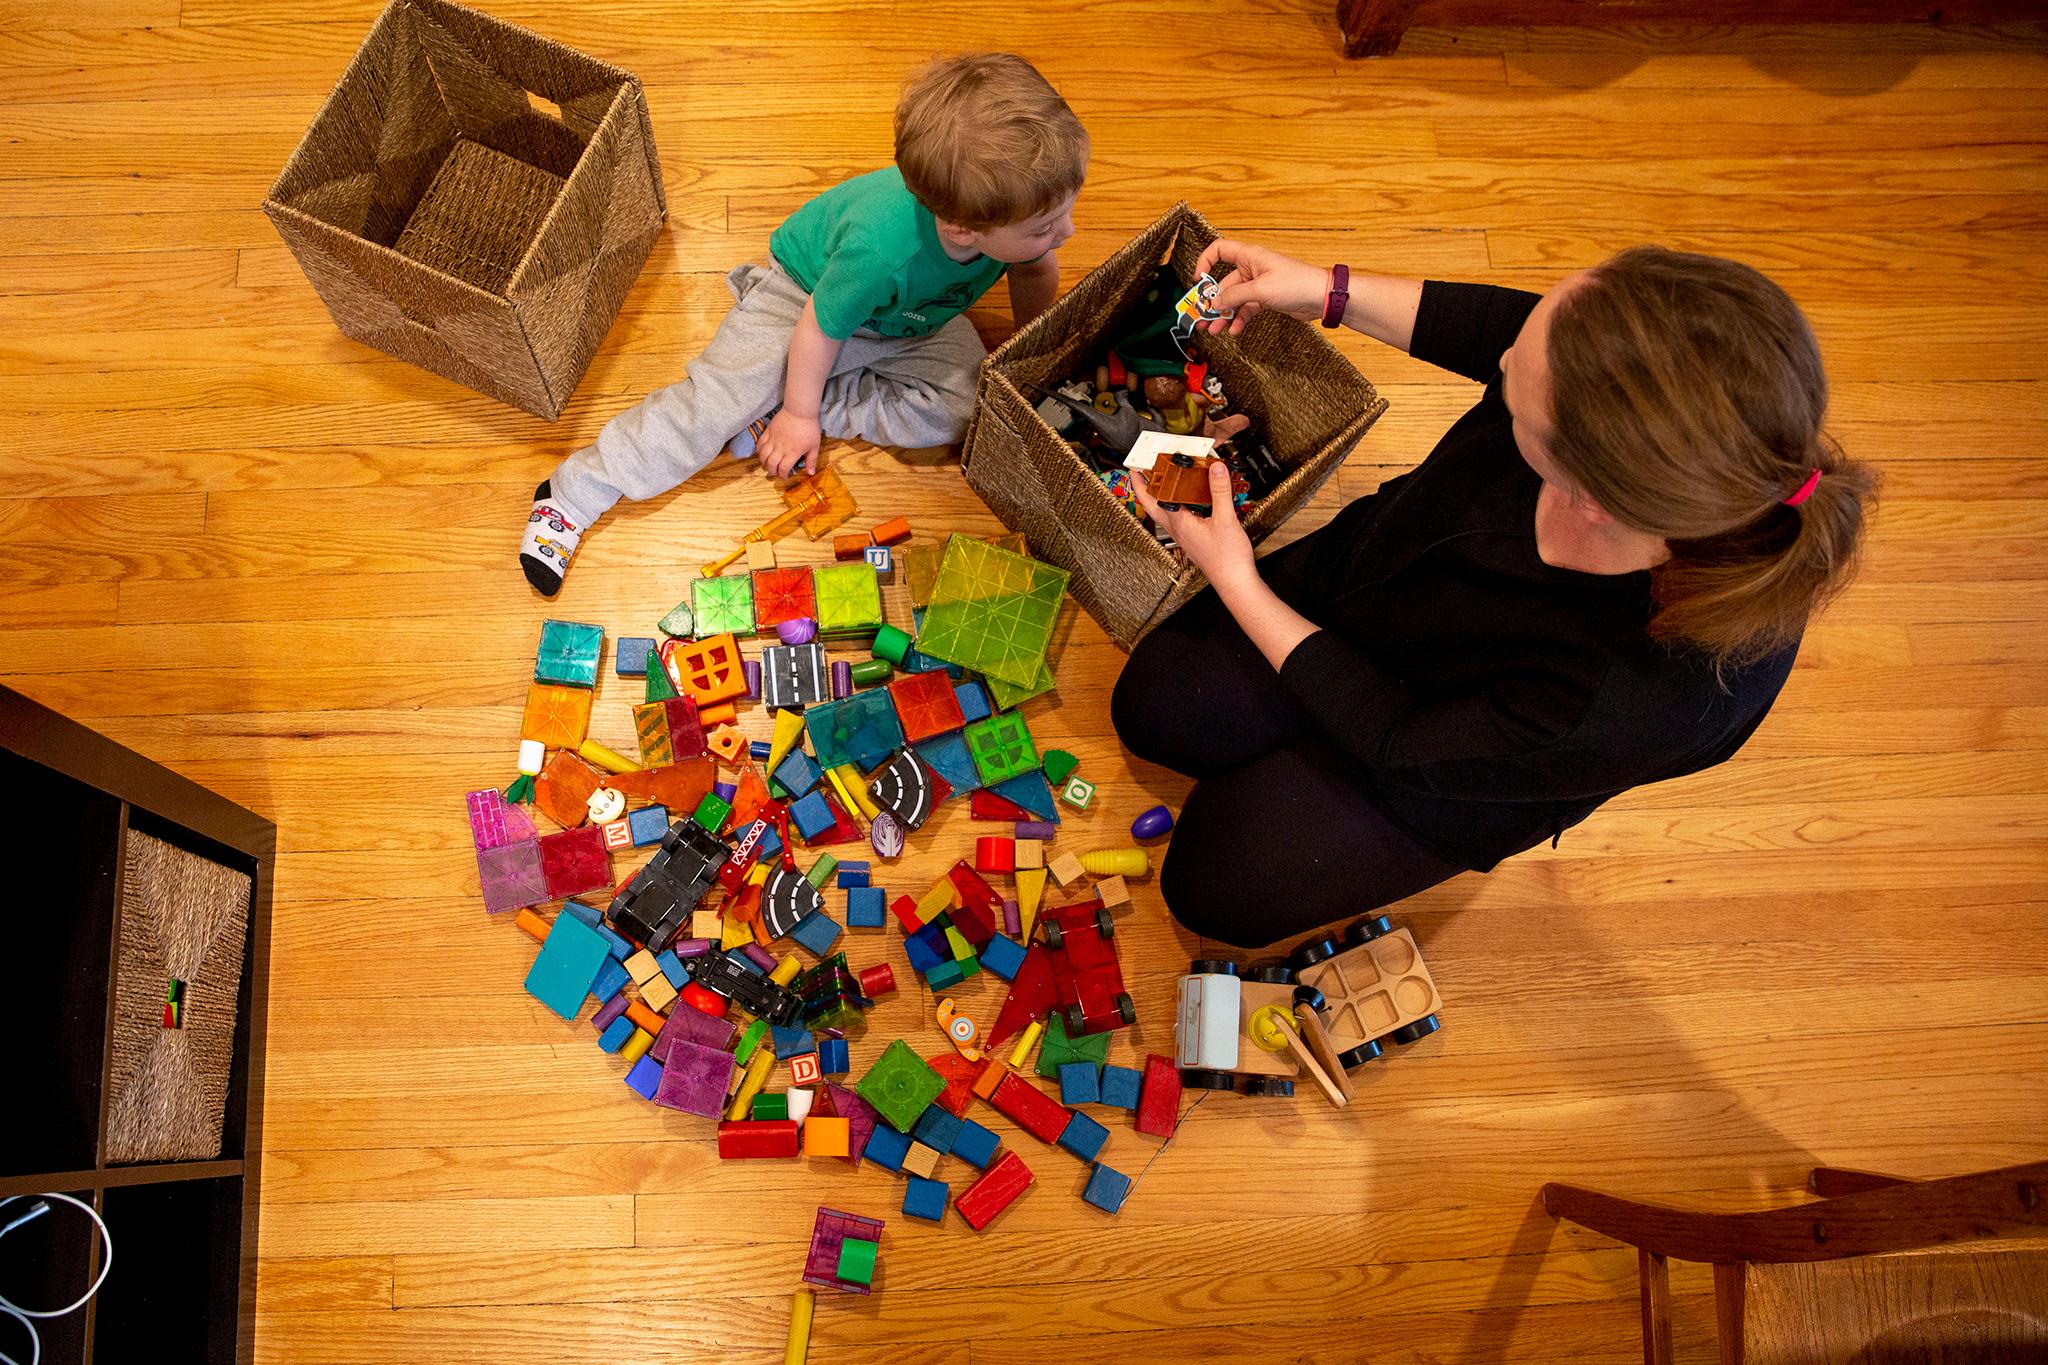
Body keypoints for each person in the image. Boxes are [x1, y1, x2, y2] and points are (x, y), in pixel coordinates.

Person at [1112, 242, 1879, 948]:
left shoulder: (1644, 697)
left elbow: (1401, 740)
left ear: (1593, 494)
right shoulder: (1623, 405)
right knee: (1152, 704)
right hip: (1388, 585)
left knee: (1212, 882)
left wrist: (1238, 579)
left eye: (1513, 388)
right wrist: (1328, 292)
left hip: (1445, 756)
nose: (1502, 356)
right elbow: (1507, 331)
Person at [518, 52, 1087, 596]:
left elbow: (1035, 277)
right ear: (964, 228)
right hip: (806, 299)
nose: (1066, 234)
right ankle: (577, 491)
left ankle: (789, 407)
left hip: (909, 321)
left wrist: (1031, 355)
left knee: (968, 405)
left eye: (1066, 213)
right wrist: (798, 411)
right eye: (1046, 227)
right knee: (715, 404)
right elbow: (818, 327)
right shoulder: (881, 249)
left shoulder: (1016, 215)